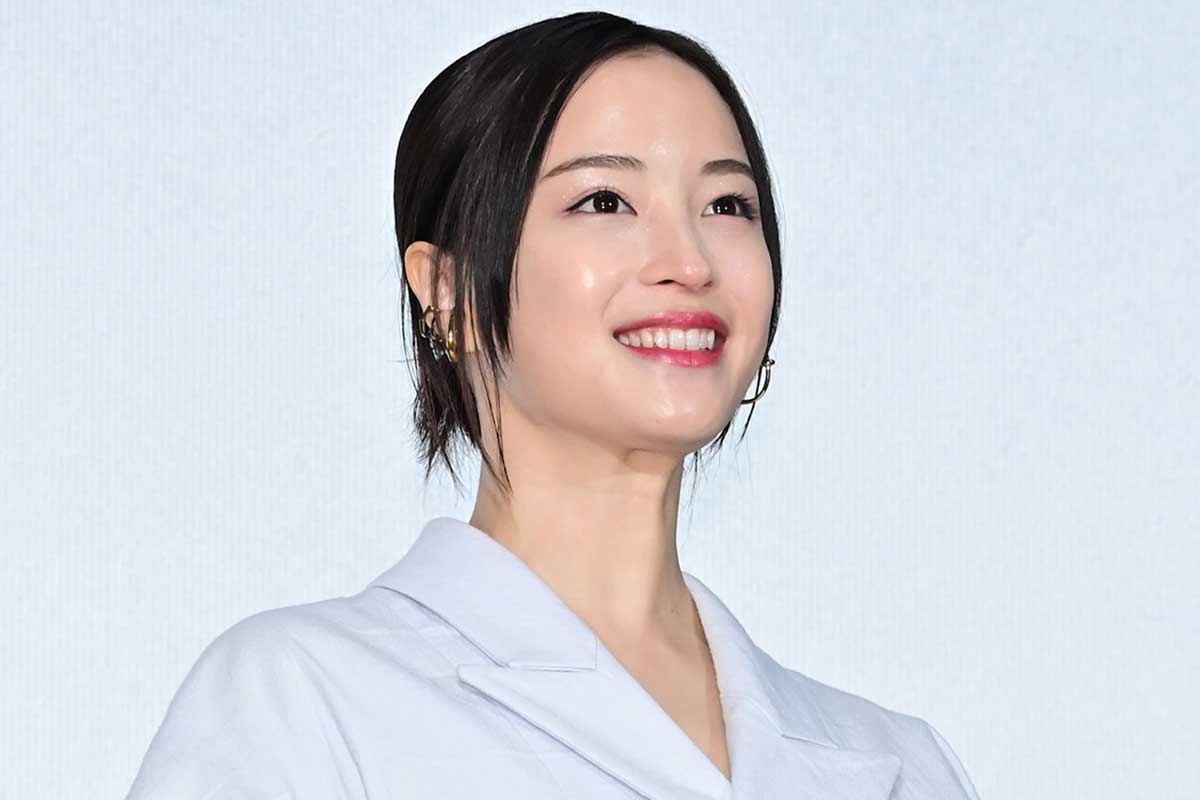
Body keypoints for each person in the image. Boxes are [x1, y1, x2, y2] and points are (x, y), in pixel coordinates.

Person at [126, 11, 980, 799]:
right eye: (604, 201)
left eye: (728, 205)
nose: (689, 261)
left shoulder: (904, 765)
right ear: (448, 291)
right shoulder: (300, 703)